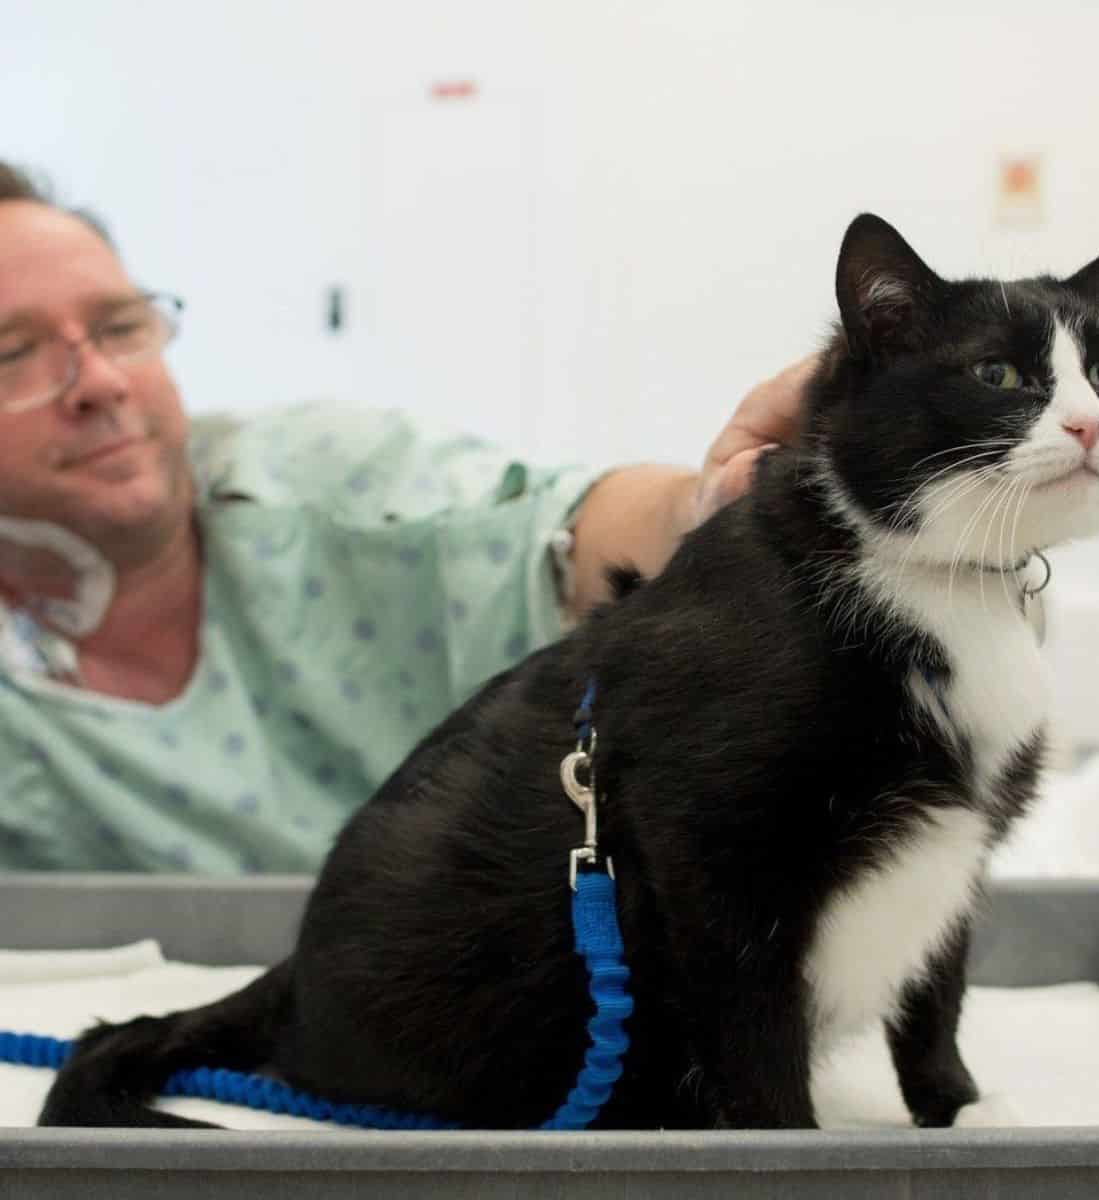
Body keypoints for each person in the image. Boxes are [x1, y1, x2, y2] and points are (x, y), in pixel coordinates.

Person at [0, 161, 815, 873]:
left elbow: (559, 525)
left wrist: (714, 510)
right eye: (13, 353)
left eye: (119, 327)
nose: (102, 381)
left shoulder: (321, 486)